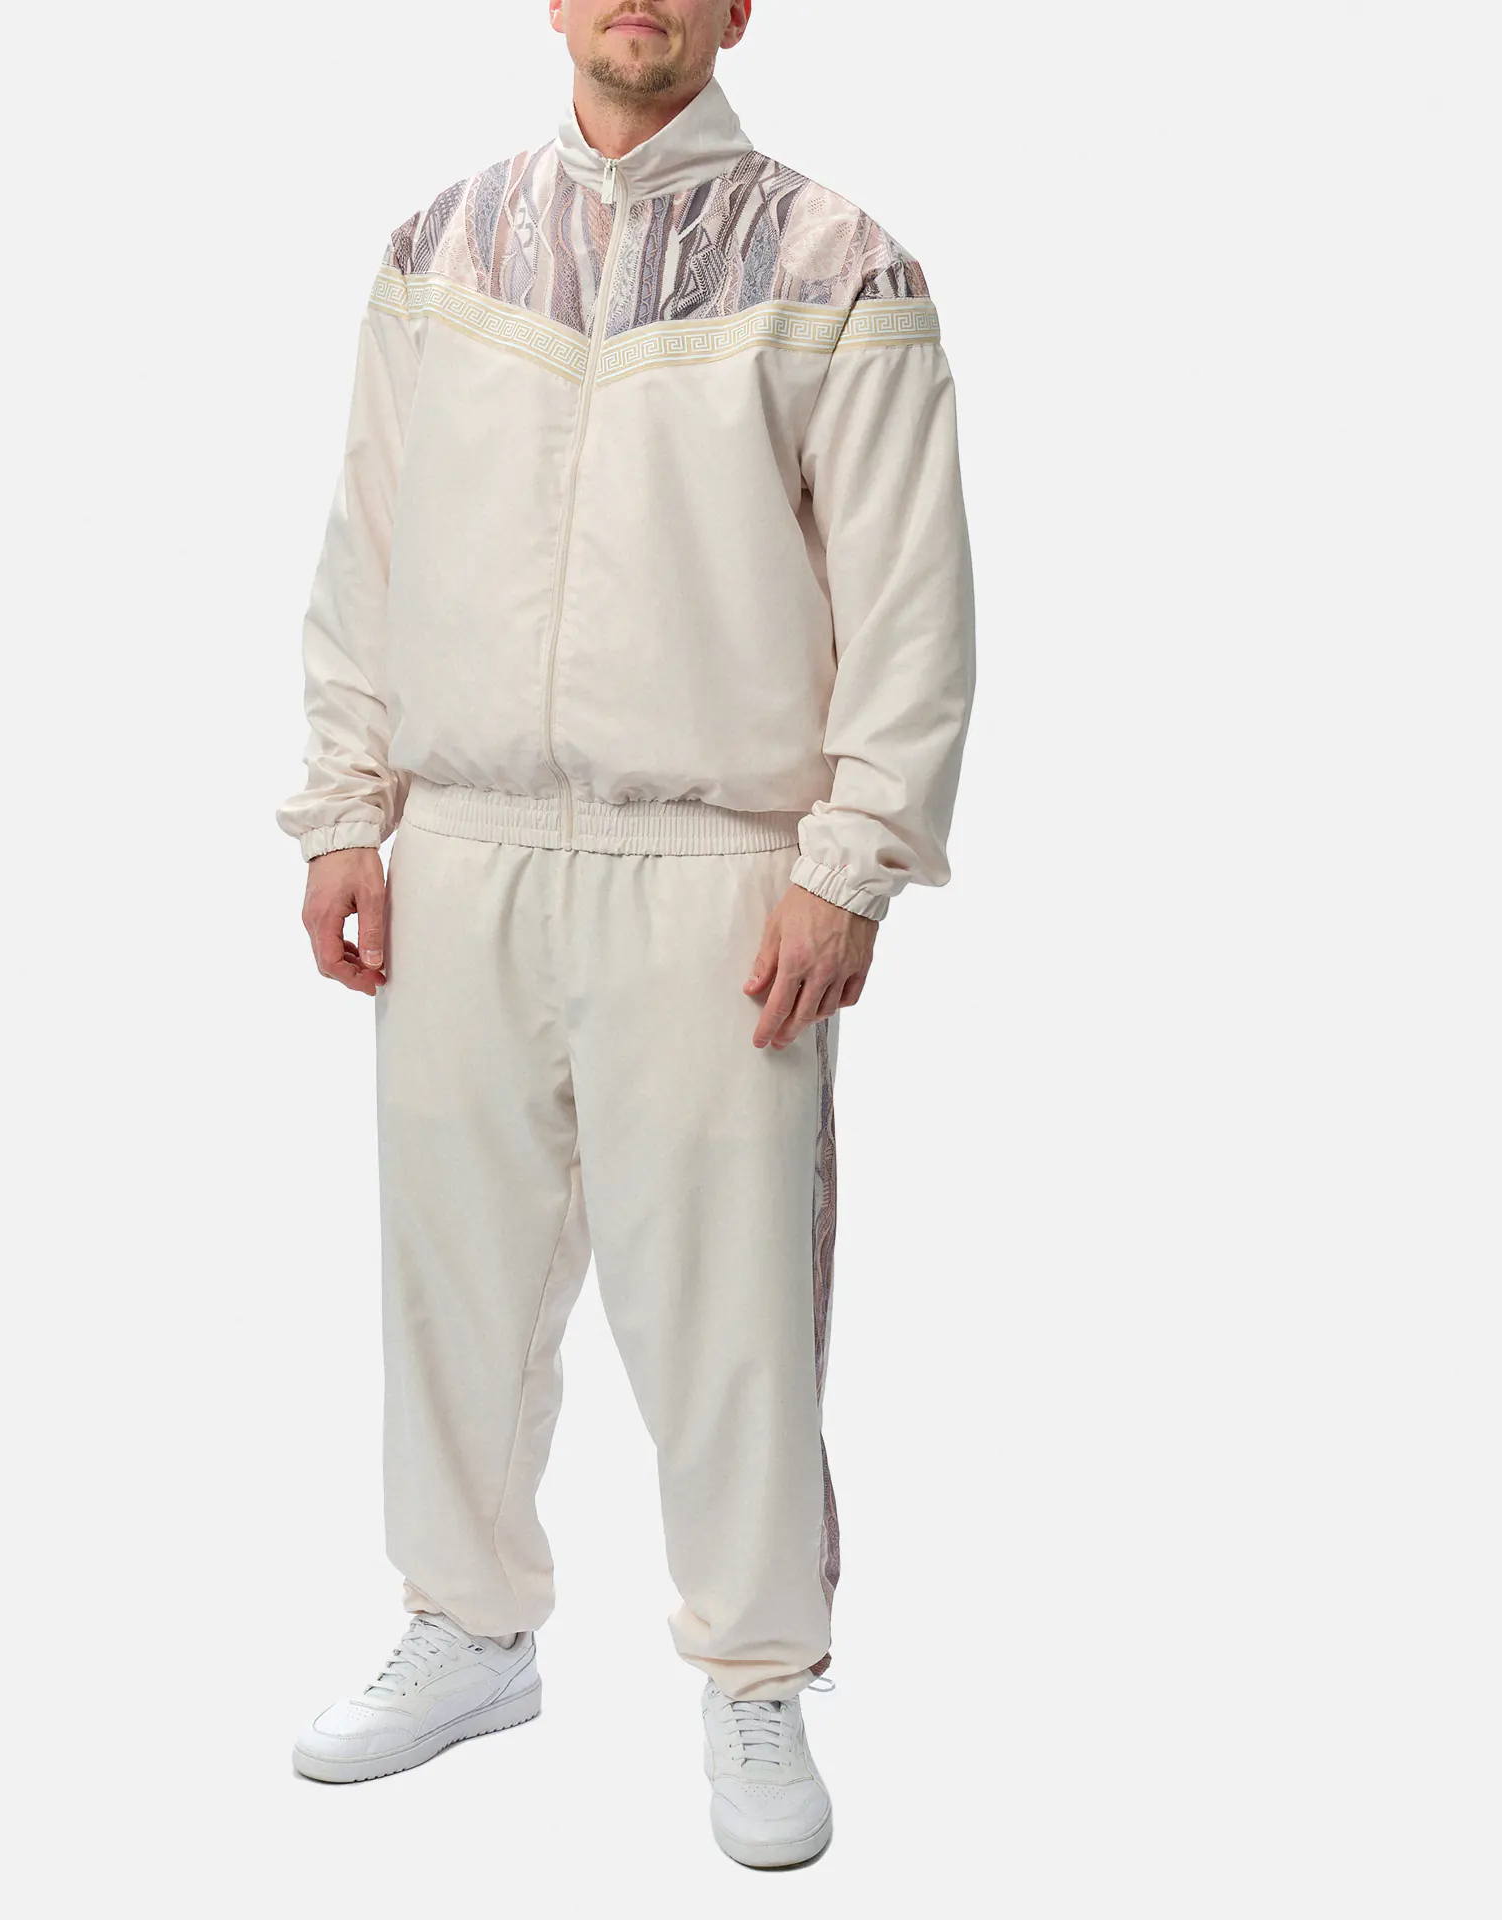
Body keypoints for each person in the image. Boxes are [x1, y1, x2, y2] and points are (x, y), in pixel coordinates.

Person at [277, 0, 975, 1869]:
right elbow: (368, 546)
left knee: (732, 1308)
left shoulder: (838, 263)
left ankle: (758, 1672)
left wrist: (849, 862)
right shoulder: (441, 246)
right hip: (466, 845)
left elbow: (909, 597)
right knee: (452, 1276)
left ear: (740, 8)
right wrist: (346, 809)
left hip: (716, 858)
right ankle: (467, 1626)